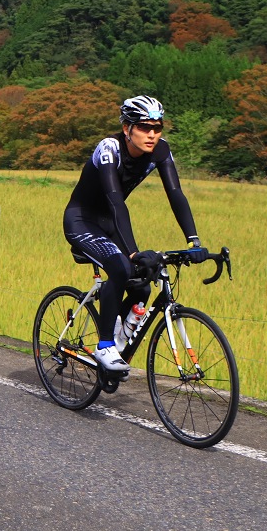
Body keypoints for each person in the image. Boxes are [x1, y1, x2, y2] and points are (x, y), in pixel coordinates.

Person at [62, 95, 204, 373]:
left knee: (142, 282)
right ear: (127, 128)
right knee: (122, 266)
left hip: (110, 222)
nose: (152, 135)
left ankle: (117, 336)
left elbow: (175, 194)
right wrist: (133, 252)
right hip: (82, 220)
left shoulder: (161, 151)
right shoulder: (109, 149)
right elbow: (115, 200)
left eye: (157, 127)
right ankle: (104, 346)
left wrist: (193, 240)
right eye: (144, 127)